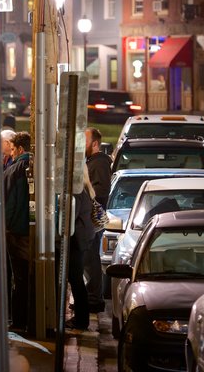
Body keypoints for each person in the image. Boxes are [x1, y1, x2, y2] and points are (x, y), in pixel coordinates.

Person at [3, 131, 32, 331]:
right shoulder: (37, 166)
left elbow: (9, 205)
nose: (11, 153)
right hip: (33, 231)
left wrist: (6, 226)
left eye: (12, 149)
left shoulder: (14, 170)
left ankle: (19, 320)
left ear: (20, 149)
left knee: (19, 278)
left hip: (16, 232)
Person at [84, 127, 112, 312]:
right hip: (90, 216)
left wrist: (87, 198)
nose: (81, 145)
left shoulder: (99, 163)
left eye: (84, 141)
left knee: (90, 256)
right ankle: (92, 295)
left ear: (95, 143)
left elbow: (100, 192)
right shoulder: (93, 162)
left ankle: (94, 298)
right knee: (88, 256)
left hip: (92, 217)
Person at [65, 171, 96, 331]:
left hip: (77, 240)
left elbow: (70, 217)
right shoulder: (85, 189)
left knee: (75, 279)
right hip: (82, 239)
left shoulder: (77, 191)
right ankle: (81, 318)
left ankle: (82, 320)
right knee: (76, 279)